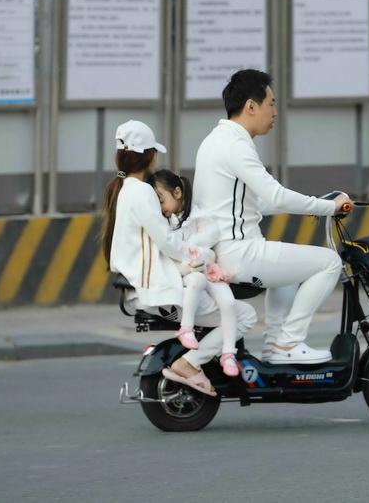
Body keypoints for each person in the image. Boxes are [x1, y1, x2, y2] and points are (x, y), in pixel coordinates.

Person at [193, 69, 350, 364]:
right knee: (330, 262)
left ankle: (274, 346)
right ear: (251, 106)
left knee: (288, 274)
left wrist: (314, 204)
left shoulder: (215, 140)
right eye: (272, 103)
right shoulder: (236, 146)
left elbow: (257, 204)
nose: (275, 112)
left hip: (221, 252)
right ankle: (288, 342)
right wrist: (328, 207)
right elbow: (276, 195)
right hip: (239, 254)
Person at [101, 120, 256, 395]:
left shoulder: (124, 189)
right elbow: (169, 244)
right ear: (150, 156)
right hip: (156, 290)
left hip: (142, 287)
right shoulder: (142, 192)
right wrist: (204, 253)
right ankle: (190, 363)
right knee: (245, 315)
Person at [147, 169, 240, 377]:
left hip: (209, 269)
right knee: (196, 281)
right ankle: (186, 328)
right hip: (189, 270)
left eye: (161, 200)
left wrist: (196, 248)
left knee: (229, 303)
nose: (160, 208)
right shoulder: (164, 223)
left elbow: (212, 234)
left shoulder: (198, 215)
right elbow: (173, 253)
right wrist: (194, 255)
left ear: (177, 192)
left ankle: (228, 353)